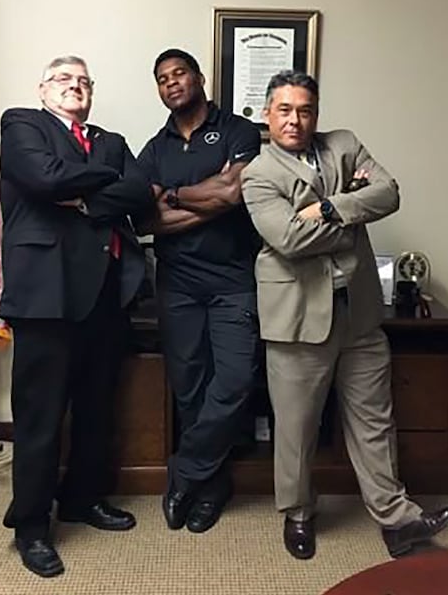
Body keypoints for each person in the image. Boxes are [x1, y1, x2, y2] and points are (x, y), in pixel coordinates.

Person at [240, 70, 448, 560]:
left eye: (305, 110)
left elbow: (389, 193)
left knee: (374, 420)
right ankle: (298, 513)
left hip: (358, 313)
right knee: (297, 427)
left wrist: (328, 208)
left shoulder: (344, 143)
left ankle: (397, 518)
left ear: (316, 112)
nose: (296, 119)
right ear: (267, 114)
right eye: (285, 110)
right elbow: (289, 240)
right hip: (297, 317)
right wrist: (353, 216)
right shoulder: (258, 174)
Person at [0, 55, 153, 577]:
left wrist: (87, 195)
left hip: (107, 294)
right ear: (43, 88)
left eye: (84, 82)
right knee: (40, 418)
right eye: (65, 79)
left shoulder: (110, 141)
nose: (76, 87)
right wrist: (107, 182)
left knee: (96, 408)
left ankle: (85, 499)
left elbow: (140, 192)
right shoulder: (22, 123)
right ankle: (32, 528)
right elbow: (43, 178)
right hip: (45, 295)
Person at [135, 48, 261, 533]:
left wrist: (171, 196)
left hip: (234, 282)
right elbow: (145, 220)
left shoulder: (238, 130)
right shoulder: (154, 149)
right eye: (162, 78)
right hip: (177, 284)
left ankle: (184, 472)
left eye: (180, 73)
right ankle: (211, 487)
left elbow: (236, 193)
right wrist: (209, 198)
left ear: (200, 78)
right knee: (189, 388)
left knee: (233, 381)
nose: (172, 83)